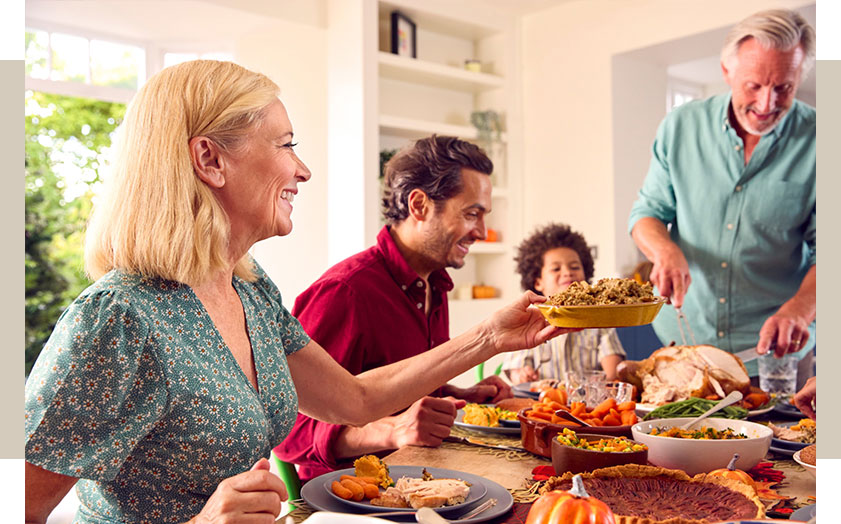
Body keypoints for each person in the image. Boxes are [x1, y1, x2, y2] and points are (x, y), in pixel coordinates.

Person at [24, 61, 572, 524]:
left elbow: (354, 399)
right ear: (209, 159)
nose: (303, 170)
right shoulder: (118, 319)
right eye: (286, 145)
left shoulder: (250, 290)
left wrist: (490, 337)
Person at [274, 135, 514, 483]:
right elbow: (287, 433)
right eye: (471, 214)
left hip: (423, 479)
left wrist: (458, 396)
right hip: (351, 501)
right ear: (419, 205)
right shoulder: (345, 292)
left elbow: (401, 390)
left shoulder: (436, 283)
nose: (481, 231)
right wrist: (391, 432)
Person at [628, 9, 816, 381]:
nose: (766, 105)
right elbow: (646, 213)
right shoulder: (681, 127)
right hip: (682, 345)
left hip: (774, 356)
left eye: (784, 88)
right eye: (754, 86)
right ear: (727, 71)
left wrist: (799, 308)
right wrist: (664, 252)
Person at [501, 223, 626, 384]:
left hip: (587, 403)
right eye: (556, 269)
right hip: (542, 403)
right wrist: (522, 374)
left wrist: (608, 378)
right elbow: (516, 371)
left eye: (574, 267)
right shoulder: (530, 320)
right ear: (538, 282)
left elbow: (612, 371)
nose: (567, 272)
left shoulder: (600, 320)